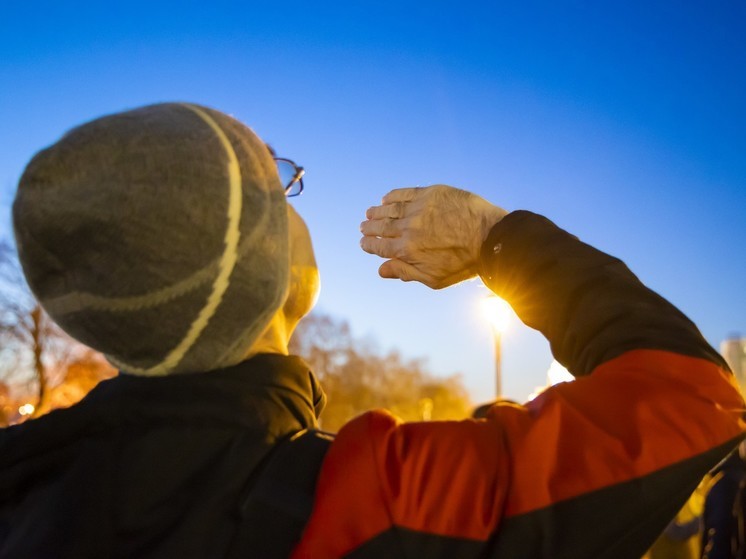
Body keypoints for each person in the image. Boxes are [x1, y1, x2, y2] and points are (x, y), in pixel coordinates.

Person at [0, 103, 743, 559]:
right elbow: (689, 398)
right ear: (258, 266)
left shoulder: (27, 484)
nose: (297, 197)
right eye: (275, 181)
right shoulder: (372, 502)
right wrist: (498, 239)